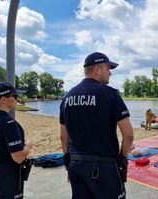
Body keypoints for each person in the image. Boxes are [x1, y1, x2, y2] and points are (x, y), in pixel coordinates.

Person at [59, 52, 134, 199]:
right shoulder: (110, 94)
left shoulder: (67, 98)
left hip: (76, 165)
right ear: (97, 70)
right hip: (104, 167)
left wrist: (69, 163)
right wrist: (122, 158)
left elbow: (63, 137)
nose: (110, 73)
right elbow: (128, 135)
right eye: (108, 68)